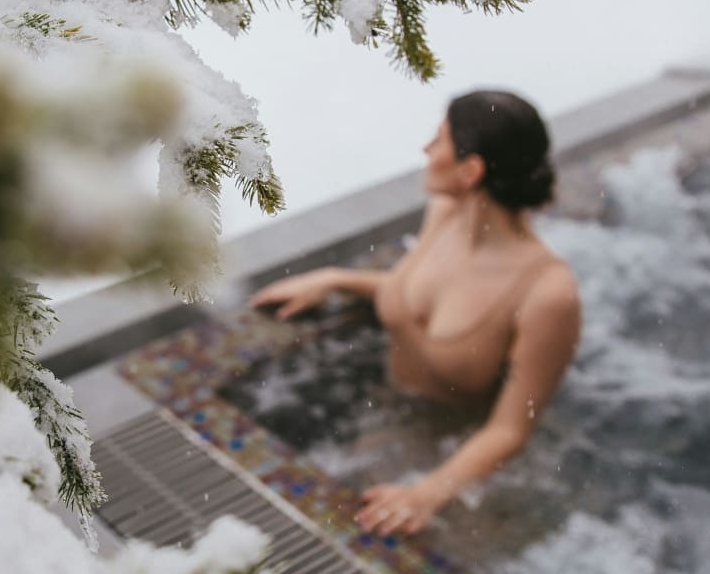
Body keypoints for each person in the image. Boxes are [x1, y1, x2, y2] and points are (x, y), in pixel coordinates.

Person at [248, 90, 581, 537]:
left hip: (461, 456)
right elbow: (417, 293)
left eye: (439, 139)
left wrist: (429, 492)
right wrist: (335, 278)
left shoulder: (547, 295)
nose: (425, 150)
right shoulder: (445, 213)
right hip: (385, 416)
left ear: (471, 170)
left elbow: (510, 429)